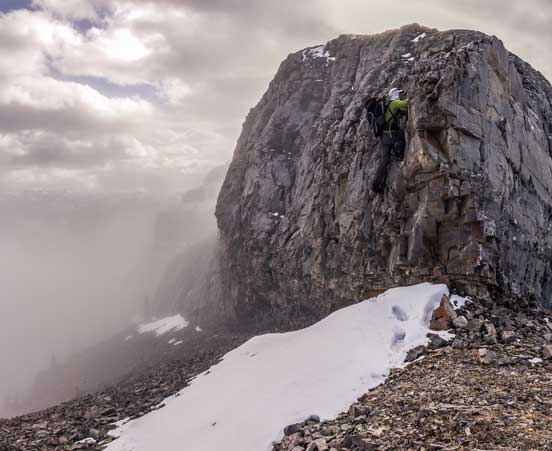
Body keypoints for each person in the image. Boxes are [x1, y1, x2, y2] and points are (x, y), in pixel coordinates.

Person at [372, 88, 410, 193]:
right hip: (390, 135)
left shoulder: (389, 105)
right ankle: (398, 153)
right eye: (399, 93)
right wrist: (414, 95)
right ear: (395, 94)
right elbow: (406, 103)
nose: (401, 95)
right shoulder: (394, 103)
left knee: (384, 160)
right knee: (404, 134)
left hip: (383, 137)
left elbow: (400, 111)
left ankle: (376, 184)